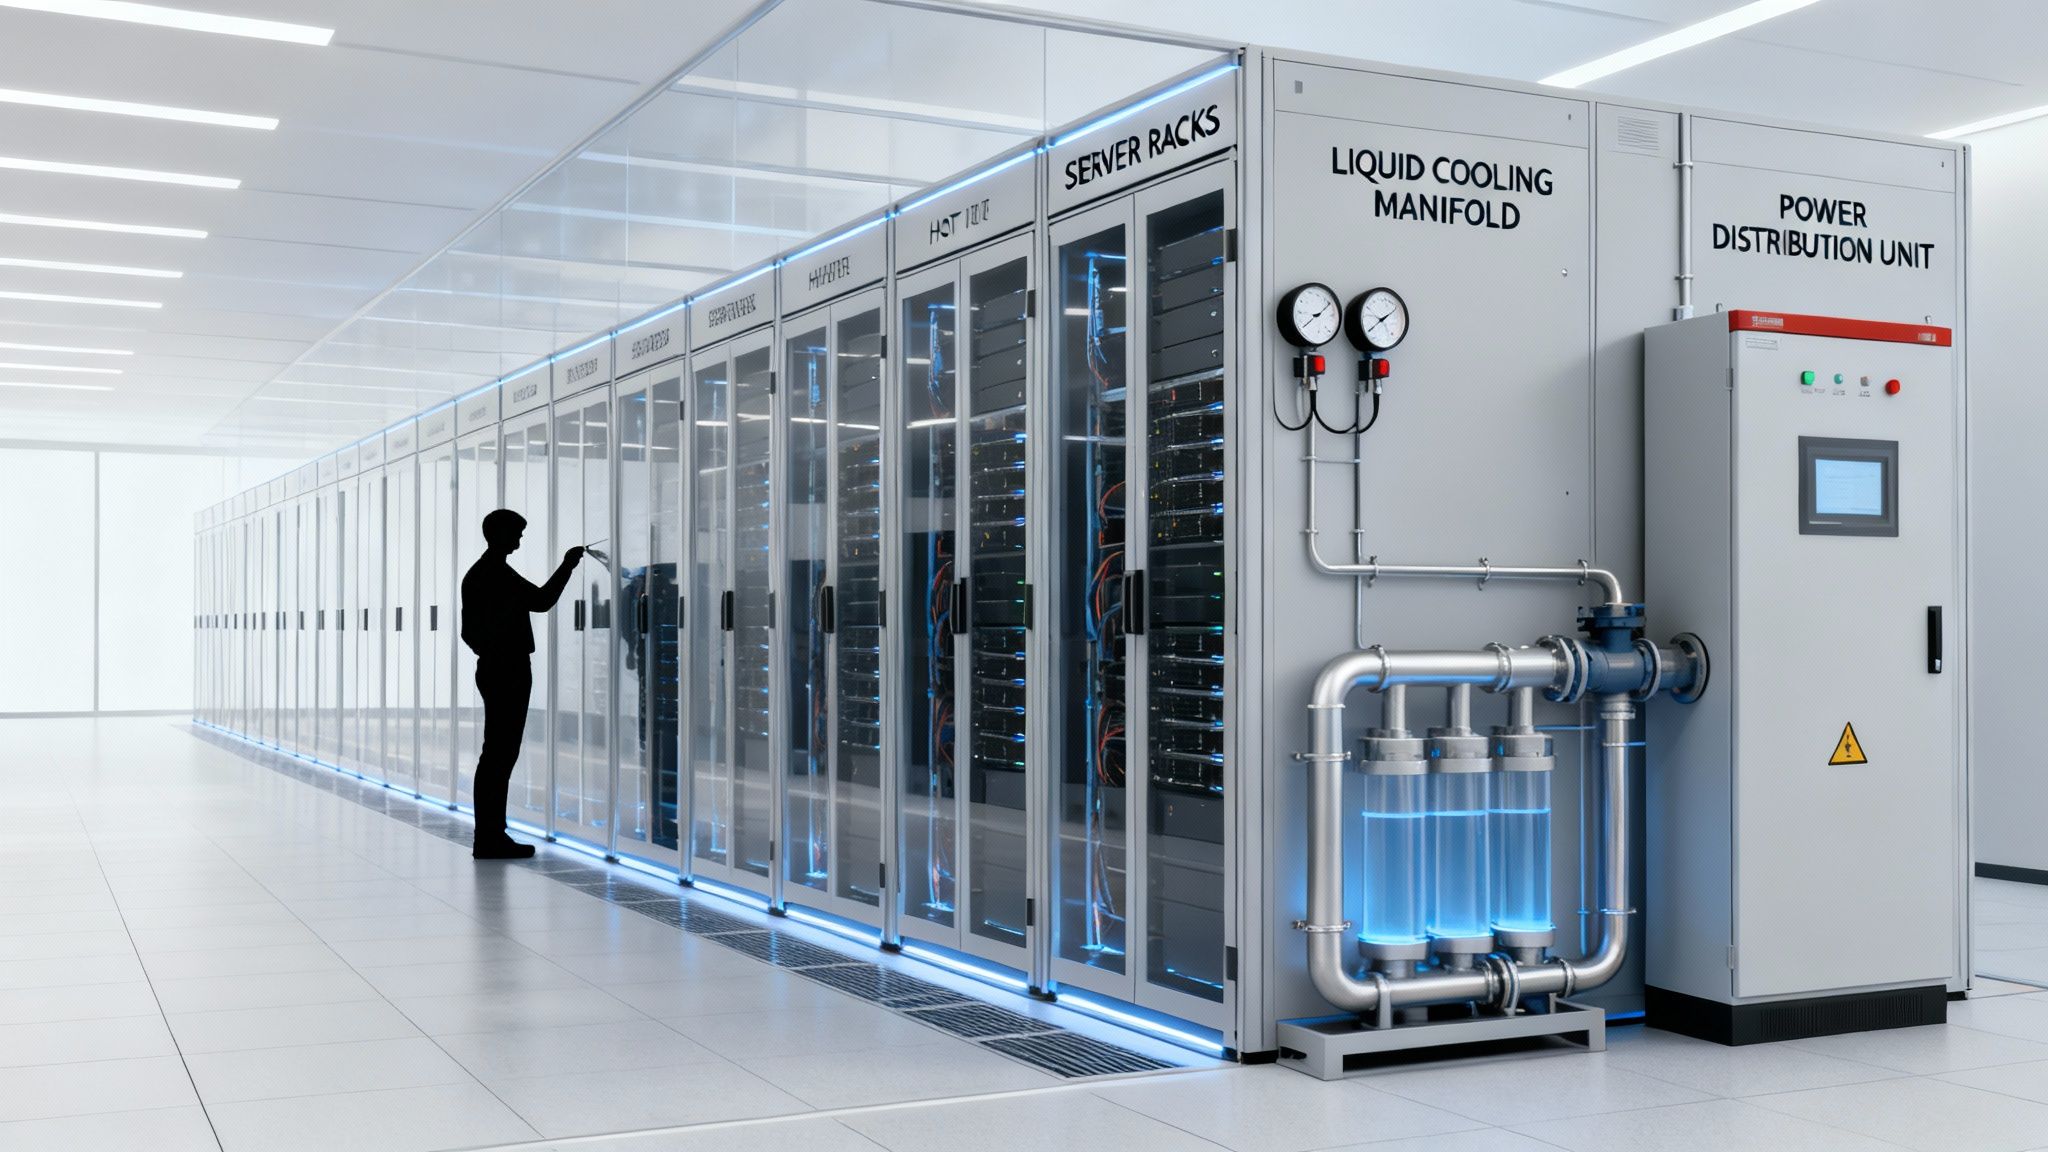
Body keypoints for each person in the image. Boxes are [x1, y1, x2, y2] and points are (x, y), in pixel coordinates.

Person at [461, 509, 582, 859]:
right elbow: (541, 601)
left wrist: (489, 651)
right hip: (507, 670)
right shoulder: (494, 573)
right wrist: (567, 566)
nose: (519, 540)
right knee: (500, 755)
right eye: (516, 533)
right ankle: (489, 838)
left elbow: (470, 631)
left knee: (497, 754)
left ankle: (490, 835)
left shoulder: (483, 572)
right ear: (500, 535)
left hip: (496, 667)